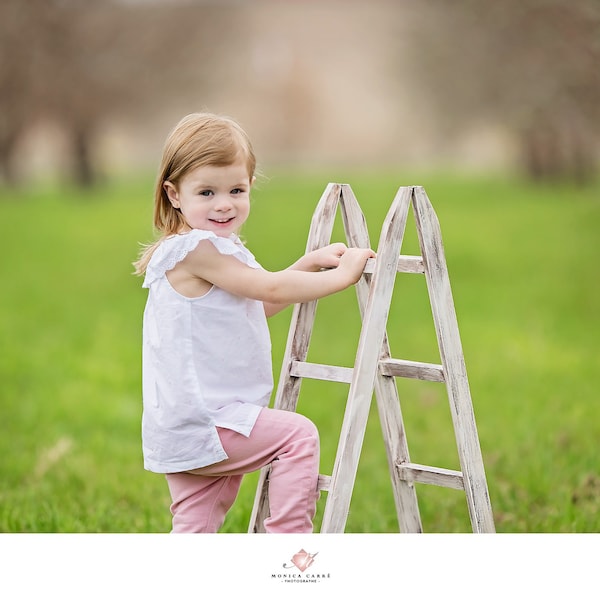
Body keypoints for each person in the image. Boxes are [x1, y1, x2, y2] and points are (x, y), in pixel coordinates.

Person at [133, 112, 375, 533]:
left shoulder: (210, 250)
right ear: (174, 194)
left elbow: (251, 308)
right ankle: (286, 546)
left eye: (236, 189)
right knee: (297, 437)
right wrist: (341, 277)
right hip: (208, 421)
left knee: (197, 526)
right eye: (206, 191)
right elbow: (270, 291)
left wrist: (308, 265)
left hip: (186, 424)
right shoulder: (197, 250)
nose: (224, 203)